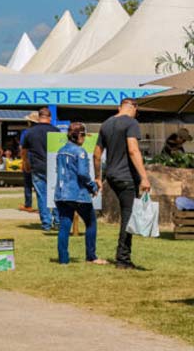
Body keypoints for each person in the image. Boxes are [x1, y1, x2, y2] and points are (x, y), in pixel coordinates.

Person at [94, 98, 152, 270]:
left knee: (127, 215)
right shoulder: (131, 123)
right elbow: (133, 150)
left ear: (120, 107)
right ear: (134, 108)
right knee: (128, 217)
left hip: (112, 176)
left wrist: (98, 176)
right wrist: (144, 177)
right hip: (127, 176)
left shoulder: (106, 124)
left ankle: (123, 256)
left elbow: (96, 154)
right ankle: (123, 258)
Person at [55, 122, 105, 266]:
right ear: (79, 136)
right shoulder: (80, 152)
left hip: (60, 194)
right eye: (83, 135)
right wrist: (93, 186)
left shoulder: (61, 151)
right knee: (91, 223)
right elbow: (83, 174)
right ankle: (91, 256)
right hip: (77, 194)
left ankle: (63, 259)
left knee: (64, 225)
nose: (84, 139)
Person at [20, 107, 59, 231]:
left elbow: (24, 151)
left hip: (37, 166)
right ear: (50, 117)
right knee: (56, 195)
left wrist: (25, 163)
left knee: (42, 195)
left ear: (39, 117)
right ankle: (57, 221)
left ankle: (46, 223)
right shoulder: (57, 132)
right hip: (54, 167)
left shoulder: (29, 132)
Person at [18, 112, 38, 213]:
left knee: (28, 183)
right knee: (41, 185)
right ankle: (42, 207)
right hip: (41, 161)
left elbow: (22, 148)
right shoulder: (45, 131)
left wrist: (24, 161)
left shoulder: (26, 132)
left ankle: (28, 204)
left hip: (29, 159)